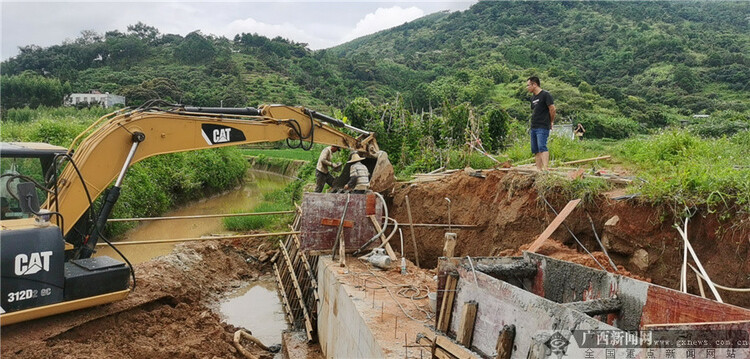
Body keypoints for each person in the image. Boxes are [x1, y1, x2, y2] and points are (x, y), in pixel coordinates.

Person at [526, 76, 556, 171]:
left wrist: (551, 121)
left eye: (528, 85)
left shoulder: (545, 95)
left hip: (543, 126)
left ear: (534, 84)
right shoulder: (533, 98)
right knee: (535, 149)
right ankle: (539, 170)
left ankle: (546, 169)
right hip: (534, 126)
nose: (527, 87)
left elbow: (552, 108)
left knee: (542, 146)